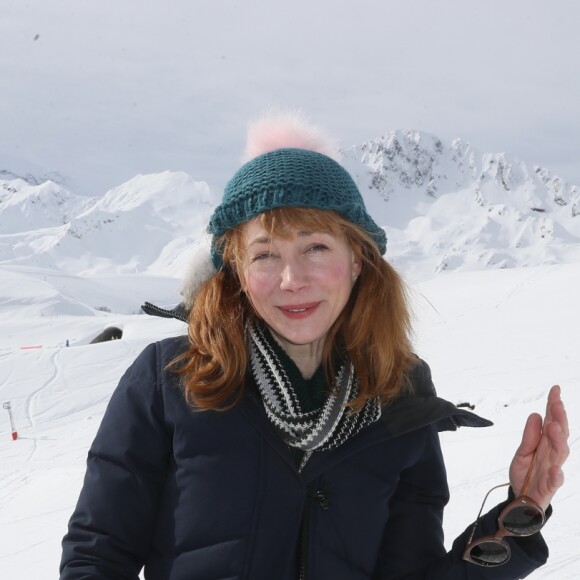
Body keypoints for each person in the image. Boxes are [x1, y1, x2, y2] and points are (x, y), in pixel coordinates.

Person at [59, 113, 569, 579]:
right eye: (264, 255)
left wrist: (514, 519)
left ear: (357, 260)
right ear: (236, 270)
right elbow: (97, 556)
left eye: (316, 247)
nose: (291, 279)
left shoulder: (400, 392)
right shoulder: (170, 378)